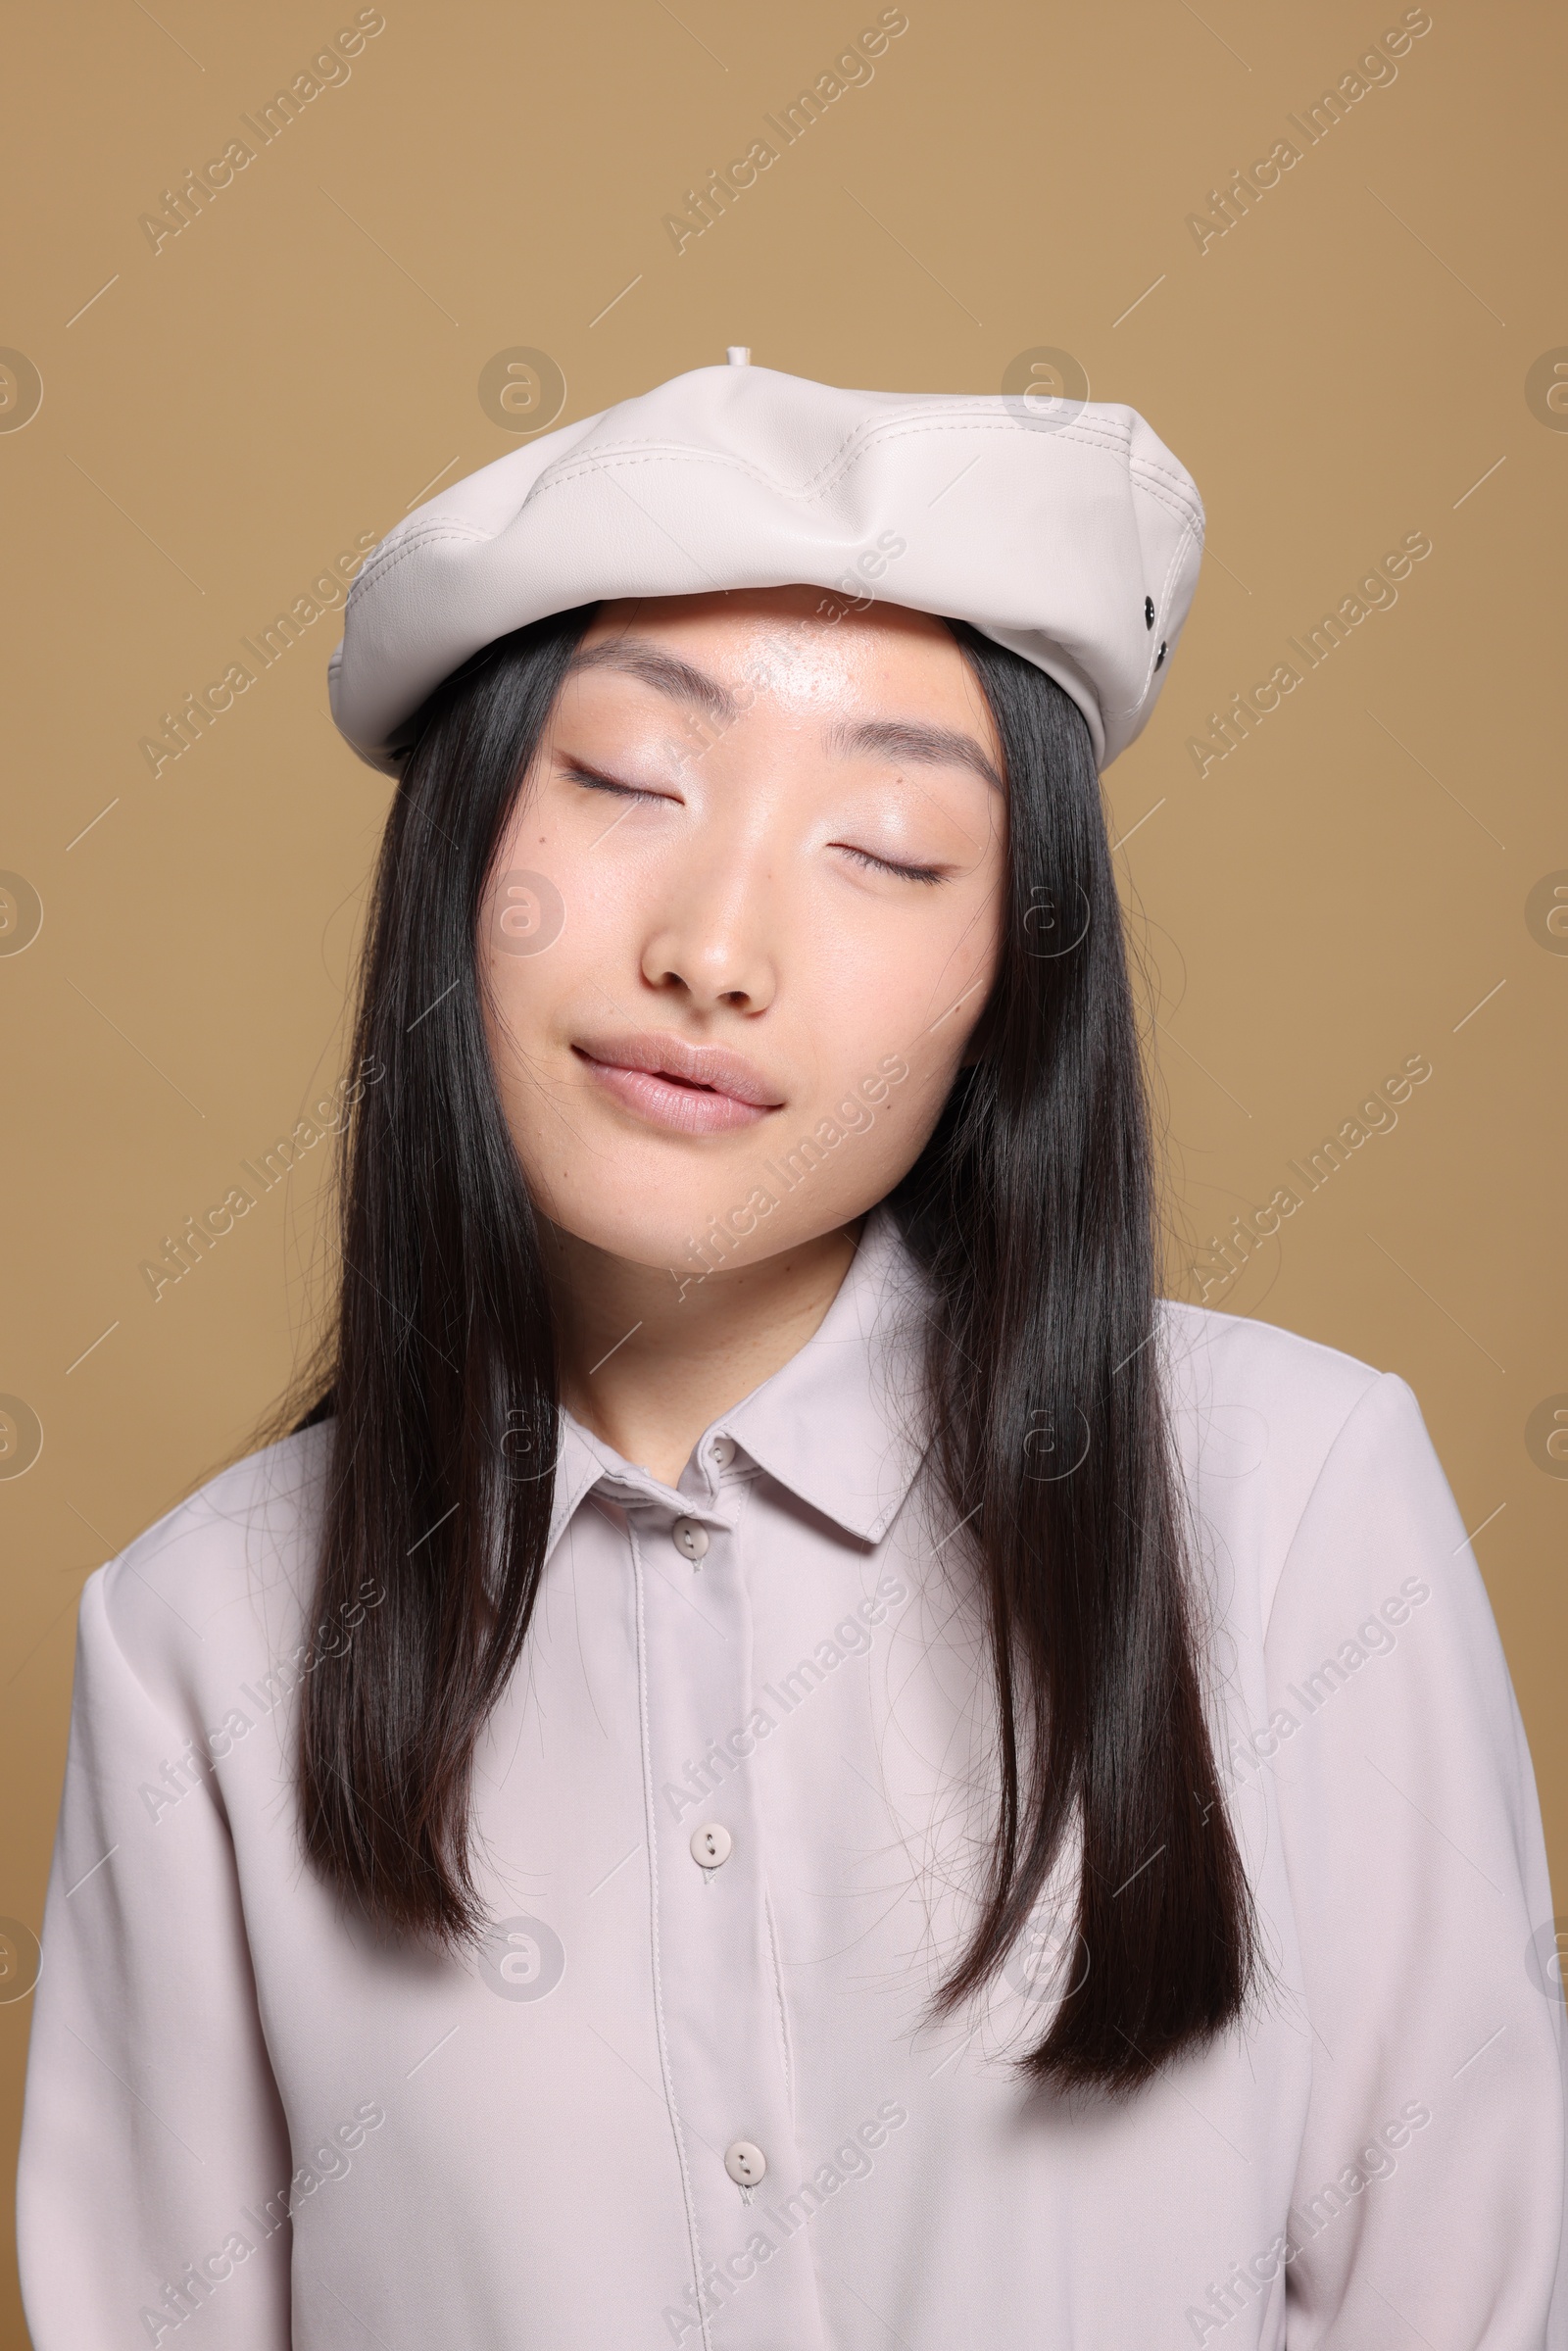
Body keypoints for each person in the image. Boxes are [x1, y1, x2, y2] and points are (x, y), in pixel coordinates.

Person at [18, 356, 1566, 2349]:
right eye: (630, 785)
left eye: (887, 855)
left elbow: (1463, 2290)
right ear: (464, 859)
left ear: (1007, 981)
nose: (716, 949)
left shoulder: (1284, 1502)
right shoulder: (200, 1638)